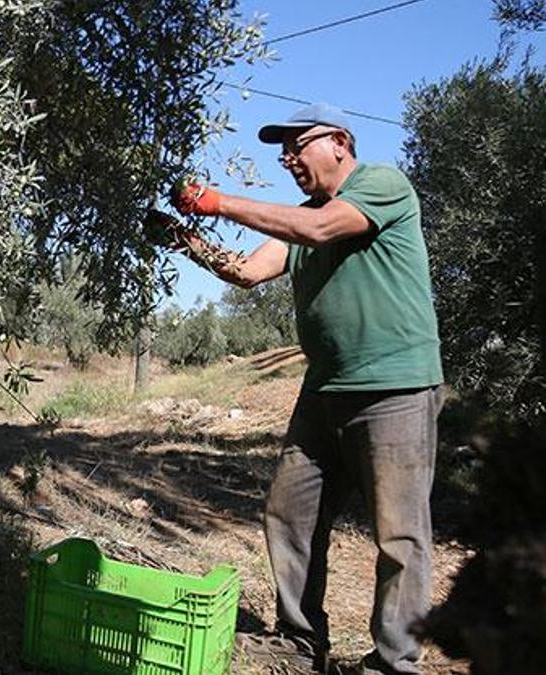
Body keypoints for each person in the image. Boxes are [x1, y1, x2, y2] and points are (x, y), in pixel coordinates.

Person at [165, 103, 443, 675]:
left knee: (399, 535)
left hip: (394, 386)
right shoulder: (302, 217)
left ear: (339, 141)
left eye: (298, 145)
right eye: (282, 150)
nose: (288, 158)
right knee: (290, 514)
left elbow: (318, 229)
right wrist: (185, 237)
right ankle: (298, 644)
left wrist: (216, 201)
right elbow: (245, 270)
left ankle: (394, 662)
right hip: (324, 391)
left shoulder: (382, 185)